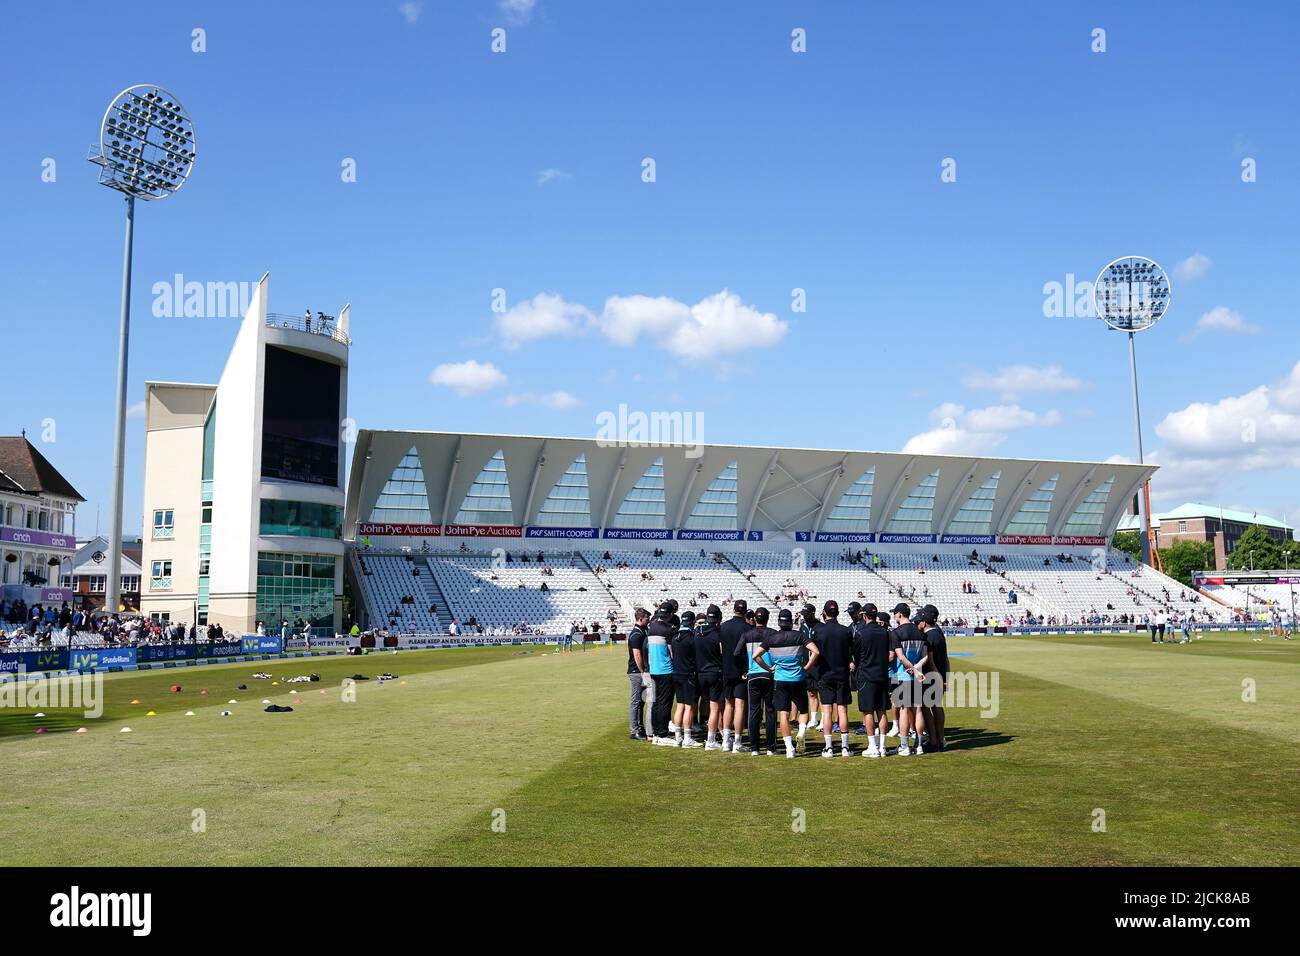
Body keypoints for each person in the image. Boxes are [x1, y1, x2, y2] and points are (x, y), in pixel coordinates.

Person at [756, 608, 819, 759]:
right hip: (798, 678)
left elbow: (755, 655)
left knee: (783, 714)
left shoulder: (772, 638)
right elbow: (816, 651)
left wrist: (769, 668)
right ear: (791, 622)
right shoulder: (799, 636)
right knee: (803, 711)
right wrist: (807, 666)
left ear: (779, 622)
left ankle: (789, 748)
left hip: (780, 680)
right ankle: (802, 733)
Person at [810, 600, 854, 757]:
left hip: (825, 674)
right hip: (841, 674)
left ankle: (828, 747)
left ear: (824, 613)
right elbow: (850, 653)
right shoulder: (845, 631)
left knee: (826, 712)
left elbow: (814, 653)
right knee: (842, 710)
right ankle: (845, 747)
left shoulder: (818, 630)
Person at [852, 604, 892, 757]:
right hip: (882, 675)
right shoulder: (885, 632)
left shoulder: (861, 633)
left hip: (866, 676)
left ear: (864, 615)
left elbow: (856, 655)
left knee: (868, 711)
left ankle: (873, 747)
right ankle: (882, 747)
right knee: (881, 711)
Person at [737, 607, 777, 756]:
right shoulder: (773, 633)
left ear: (755, 618)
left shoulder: (747, 634)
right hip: (769, 673)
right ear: (767, 618)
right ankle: (770, 747)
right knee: (770, 711)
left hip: (753, 675)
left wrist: (744, 668)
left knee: (754, 711)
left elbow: (737, 652)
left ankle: (754, 747)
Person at [890, 602, 928, 756]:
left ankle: (904, 746)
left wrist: (912, 670)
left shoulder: (896, 632)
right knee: (918, 709)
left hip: (903, 675)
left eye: (895, 614)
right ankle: (919, 745)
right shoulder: (920, 632)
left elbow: (900, 656)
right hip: (918, 676)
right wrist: (917, 669)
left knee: (904, 710)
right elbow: (925, 656)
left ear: (899, 614)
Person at [719, 600, 749, 753]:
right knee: (740, 706)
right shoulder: (747, 628)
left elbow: (721, 648)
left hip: (727, 669)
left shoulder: (723, 626)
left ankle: (725, 741)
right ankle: (737, 742)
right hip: (742, 671)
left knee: (728, 705)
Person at [917, 604, 948, 752]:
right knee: (937, 706)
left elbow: (929, 660)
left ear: (925, 621)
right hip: (940, 676)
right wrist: (945, 677)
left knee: (925, 707)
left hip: (929, 676)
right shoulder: (940, 634)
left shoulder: (927, 637)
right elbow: (946, 659)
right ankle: (940, 739)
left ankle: (933, 740)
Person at [694, 604, 725, 750]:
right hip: (714, 672)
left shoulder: (698, 631)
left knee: (709, 705)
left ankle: (720, 735)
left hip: (701, 673)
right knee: (715, 708)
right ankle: (711, 739)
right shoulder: (718, 632)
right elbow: (722, 651)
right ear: (719, 618)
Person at [646, 605, 677, 746]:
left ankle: (656, 733)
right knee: (665, 703)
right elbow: (672, 651)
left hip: (654, 670)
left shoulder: (651, 627)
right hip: (666, 670)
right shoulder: (669, 629)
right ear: (670, 614)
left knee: (657, 703)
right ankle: (662, 733)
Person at [671, 611, 699, 747]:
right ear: (692, 622)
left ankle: (678, 737)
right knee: (688, 707)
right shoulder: (692, 638)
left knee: (680, 706)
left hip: (676, 674)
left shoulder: (675, 636)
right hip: (688, 674)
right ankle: (687, 737)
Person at [626, 607, 651, 740]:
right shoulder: (636, 634)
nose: (649, 620)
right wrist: (643, 672)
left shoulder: (642, 631)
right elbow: (637, 655)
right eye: (647, 618)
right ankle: (634, 730)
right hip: (637, 672)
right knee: (636, 701)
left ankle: (639, 728)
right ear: (641, 618)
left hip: (640, 671)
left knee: (641, 701)